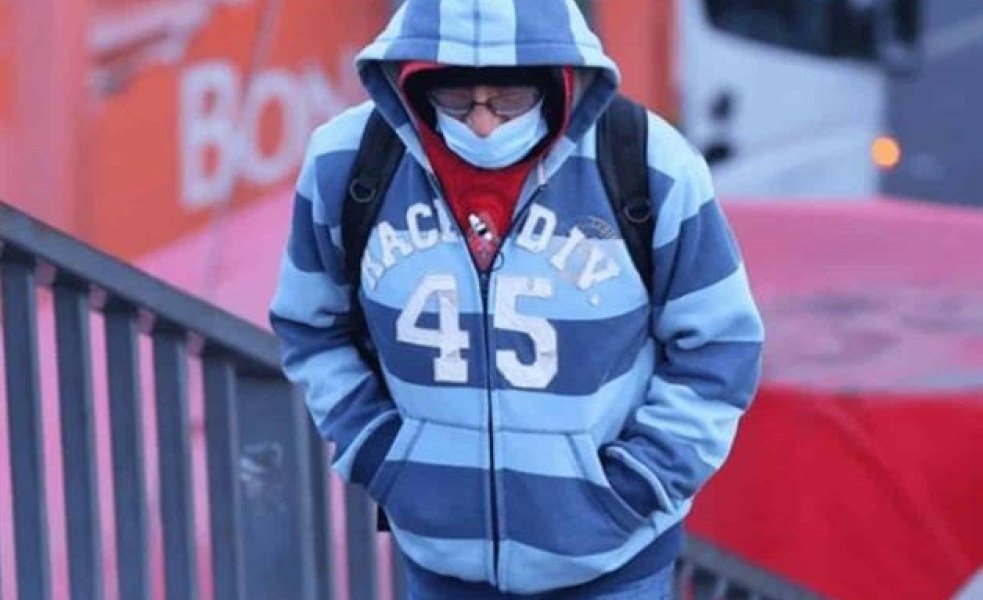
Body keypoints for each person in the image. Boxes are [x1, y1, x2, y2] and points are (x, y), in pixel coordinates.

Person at [269, 1, 764, 598]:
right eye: (456, 99)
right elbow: (310, 327)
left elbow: (721, 345)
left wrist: (639, 483)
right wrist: (382, 454)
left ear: (555, 82)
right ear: (413, 81)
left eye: (508, 100)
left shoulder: (652, 163)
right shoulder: (345, 161)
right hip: (440, 564)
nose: (482, 124)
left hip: (614, 566)